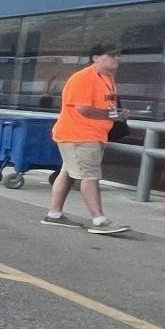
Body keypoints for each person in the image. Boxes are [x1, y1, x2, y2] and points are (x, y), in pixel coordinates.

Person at [45, 46, 130, 235]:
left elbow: (103, 107)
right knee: (90, 176)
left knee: (67, 173)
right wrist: (114, 116)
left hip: (88, 134)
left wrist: (118, 114)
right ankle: (99, 220)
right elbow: (83, 109)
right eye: (111, 56)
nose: (117, 59)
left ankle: (54, 214)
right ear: (96, 58)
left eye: (118, 56)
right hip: (80, 135)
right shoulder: (83, 78)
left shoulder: (107, 79)